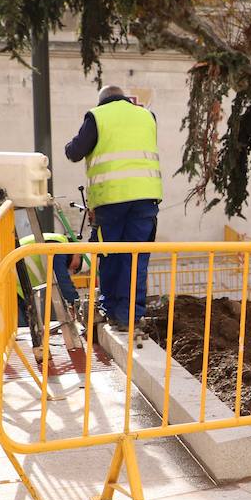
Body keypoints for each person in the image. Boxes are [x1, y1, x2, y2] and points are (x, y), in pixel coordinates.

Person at [64, 85, 162, 330]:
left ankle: (112, 311)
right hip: (146, 198)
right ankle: (131, 318)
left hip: (111, 200)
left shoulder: (97, 116)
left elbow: (74, 152)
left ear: (102, 101)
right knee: (136, 258)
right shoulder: (147, 116)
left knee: (109, 255)